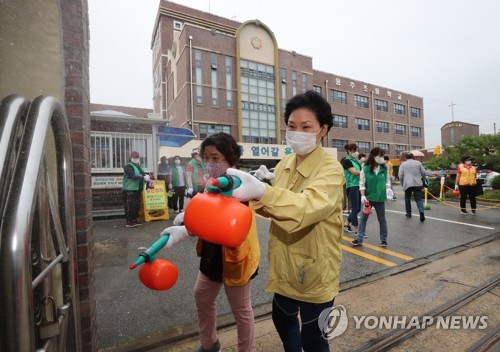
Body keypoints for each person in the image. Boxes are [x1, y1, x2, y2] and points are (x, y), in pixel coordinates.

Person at [224, 90, 344, 352]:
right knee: (282, 321)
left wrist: (264, 192)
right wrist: (259, 192)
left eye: (306, 126)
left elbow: (307, 207)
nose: (296, 132)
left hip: (314, 270)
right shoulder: (285, 162)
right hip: (285, 265)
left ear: (322, 130)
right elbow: (276, 207)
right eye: (291, 126)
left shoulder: (331, 169)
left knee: (314, 339)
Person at [160, 132, 261, 352]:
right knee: (202, 297)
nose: (209, 163)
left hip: (237, 258)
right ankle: (209, 343)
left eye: (215, 158)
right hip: (211, 254)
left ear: (231, 160)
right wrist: (187, 224)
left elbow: (224, 221)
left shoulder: (242, 186)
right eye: (206, 158)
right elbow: (206, 215)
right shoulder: (209, 185)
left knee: (242, 311)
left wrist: (190, 226)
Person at [351, 147, 391, 247]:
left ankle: (383, 239)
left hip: (380, 198)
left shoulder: (384, 168)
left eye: (383, 155)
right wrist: (363, 196)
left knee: (382, 219)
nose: (382, 158)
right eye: (380, 155)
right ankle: (359, 238)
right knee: (363, 219)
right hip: (368, 198)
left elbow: (387, 181)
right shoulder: (365, 169)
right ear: (373, 156)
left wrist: (388, 189)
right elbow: (362, 183)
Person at [122, 151, 149, 228]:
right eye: (134, 157)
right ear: (130, 158)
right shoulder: (128, 166)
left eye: (137, 157)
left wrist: (147, 176)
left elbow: (143, 174)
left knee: (136, 205)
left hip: (137, 189)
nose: (136, 159)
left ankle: (134, 219)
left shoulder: (138, 166)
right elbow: (132, 176)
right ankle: (129, 221)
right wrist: (143, 177)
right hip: (129, 189)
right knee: (129, 205)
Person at [398, 153, 426, 222]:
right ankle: (421, 211)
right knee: (419, 199)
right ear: (413, 157)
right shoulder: (418, 163)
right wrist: (423, 179)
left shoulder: (403, 164)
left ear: (405, 158)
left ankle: (409, 213)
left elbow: (400, 175)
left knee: (407, 198)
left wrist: (402, 183)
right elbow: (423, 172)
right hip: (418, 183)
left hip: (407, 183)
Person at [342, 143, 362, 234]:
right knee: (355, 208)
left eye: (357, 150)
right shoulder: (346, 161)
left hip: (359, 185)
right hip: (352, 186)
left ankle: (346, 223)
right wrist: (365, 173)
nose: (356, 152)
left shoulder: (356, 161)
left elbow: (361, 170)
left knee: (357, 209)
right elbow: (354, 172)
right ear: (349, 151)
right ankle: (356, 230)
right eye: (354, 150)